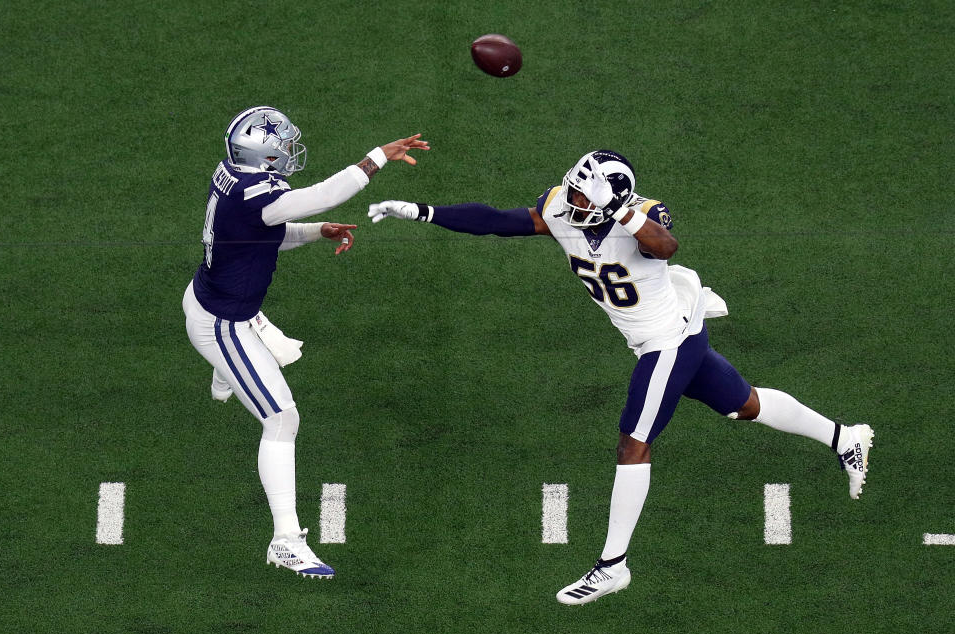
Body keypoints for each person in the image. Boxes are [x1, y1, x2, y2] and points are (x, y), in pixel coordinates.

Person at [367, 149, 873, 604]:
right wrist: (420, 211)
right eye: (573, 191)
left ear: (613, 200)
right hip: (663, 336)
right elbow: (499, 221)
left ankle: (612, 566)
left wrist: (620, 212)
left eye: (585, 196)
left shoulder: (642, 215)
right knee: (743, 404)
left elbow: (665, 245)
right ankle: (844, 438)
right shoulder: (562, 209)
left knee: (633, 442)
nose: (570, 202)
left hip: (668, 343)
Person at [183, 105, 428, 578]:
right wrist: (377, 157)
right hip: (224, 324)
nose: (290, 151)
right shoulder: (257, 194)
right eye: (282, 144)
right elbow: (320, 195)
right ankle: (286, 541)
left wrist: (317, 233)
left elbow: (266, 230)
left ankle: (223, 376)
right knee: (281, 420)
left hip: (211, 297)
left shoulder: (235, 176)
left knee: (257, 378)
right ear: (261, 150)